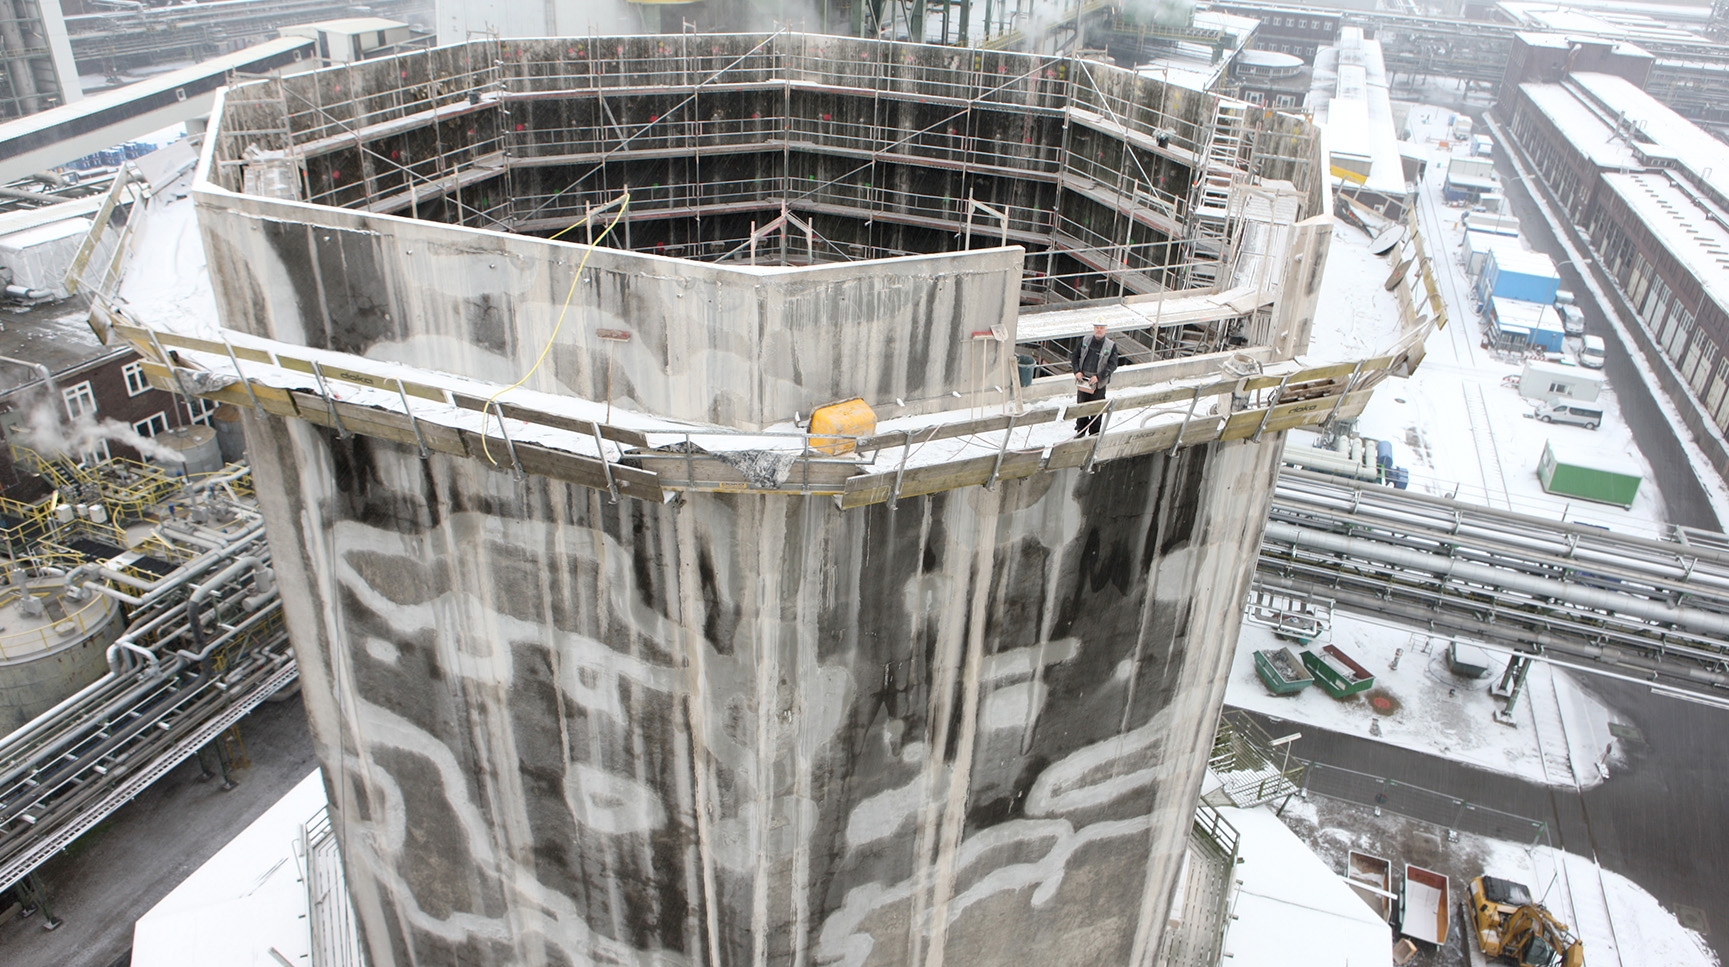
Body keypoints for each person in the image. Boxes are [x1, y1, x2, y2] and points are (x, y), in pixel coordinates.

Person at [1070, 321, 1120, 437]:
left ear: (1105, 330)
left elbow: (1112, 365)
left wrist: (1099, 377)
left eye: (1101, 328)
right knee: (1081, 407)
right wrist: (1077, 371)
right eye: (1097, 327)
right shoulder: (1085, 341)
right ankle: (1080, 431)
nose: (1099, 330)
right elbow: (1074, 356)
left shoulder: (1111, 346)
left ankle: (1094, 434)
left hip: (1098, 384)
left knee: (1097, 410)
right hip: (1083, 381)